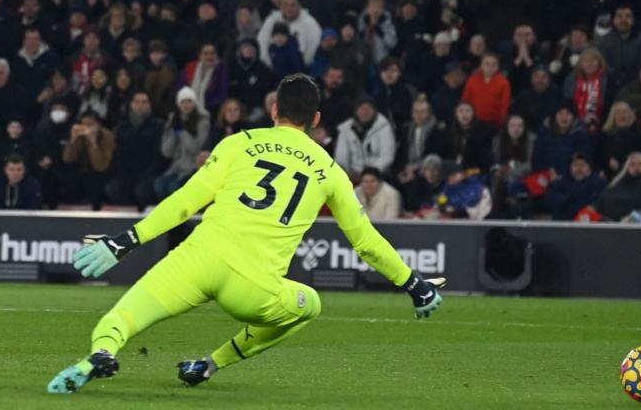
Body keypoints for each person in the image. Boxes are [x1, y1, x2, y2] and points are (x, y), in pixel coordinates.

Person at [46, 74, 444, 394]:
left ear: (274, 110)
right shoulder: (330, 172)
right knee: (310, 304)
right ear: (316, 120)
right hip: (253, 287)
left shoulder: (240, 143)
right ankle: (210, 364)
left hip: (198, 260)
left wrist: (125, 241)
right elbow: (365, 241)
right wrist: (413, 283)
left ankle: (101, 353)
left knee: (123, 318)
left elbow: (186, 201)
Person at [334, 96, 397, 180]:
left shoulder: (384, 126)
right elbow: (341, 156)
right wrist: (346, 172)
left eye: (368, 109)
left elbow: (387, 156)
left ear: (374, 111)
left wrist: (368, 173)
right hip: (353, 176)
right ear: (356, 110)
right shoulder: (345, 129)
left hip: (379, 175)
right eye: (362, 108)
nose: (365, 112)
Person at [542, 152, 607, 221]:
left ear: (590, 168)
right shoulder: (561, 182)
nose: (579, 168)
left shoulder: (598, 183)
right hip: (562, 223)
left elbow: (595, 202)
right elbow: (552, 202)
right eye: (575, 165)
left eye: (583, 165)